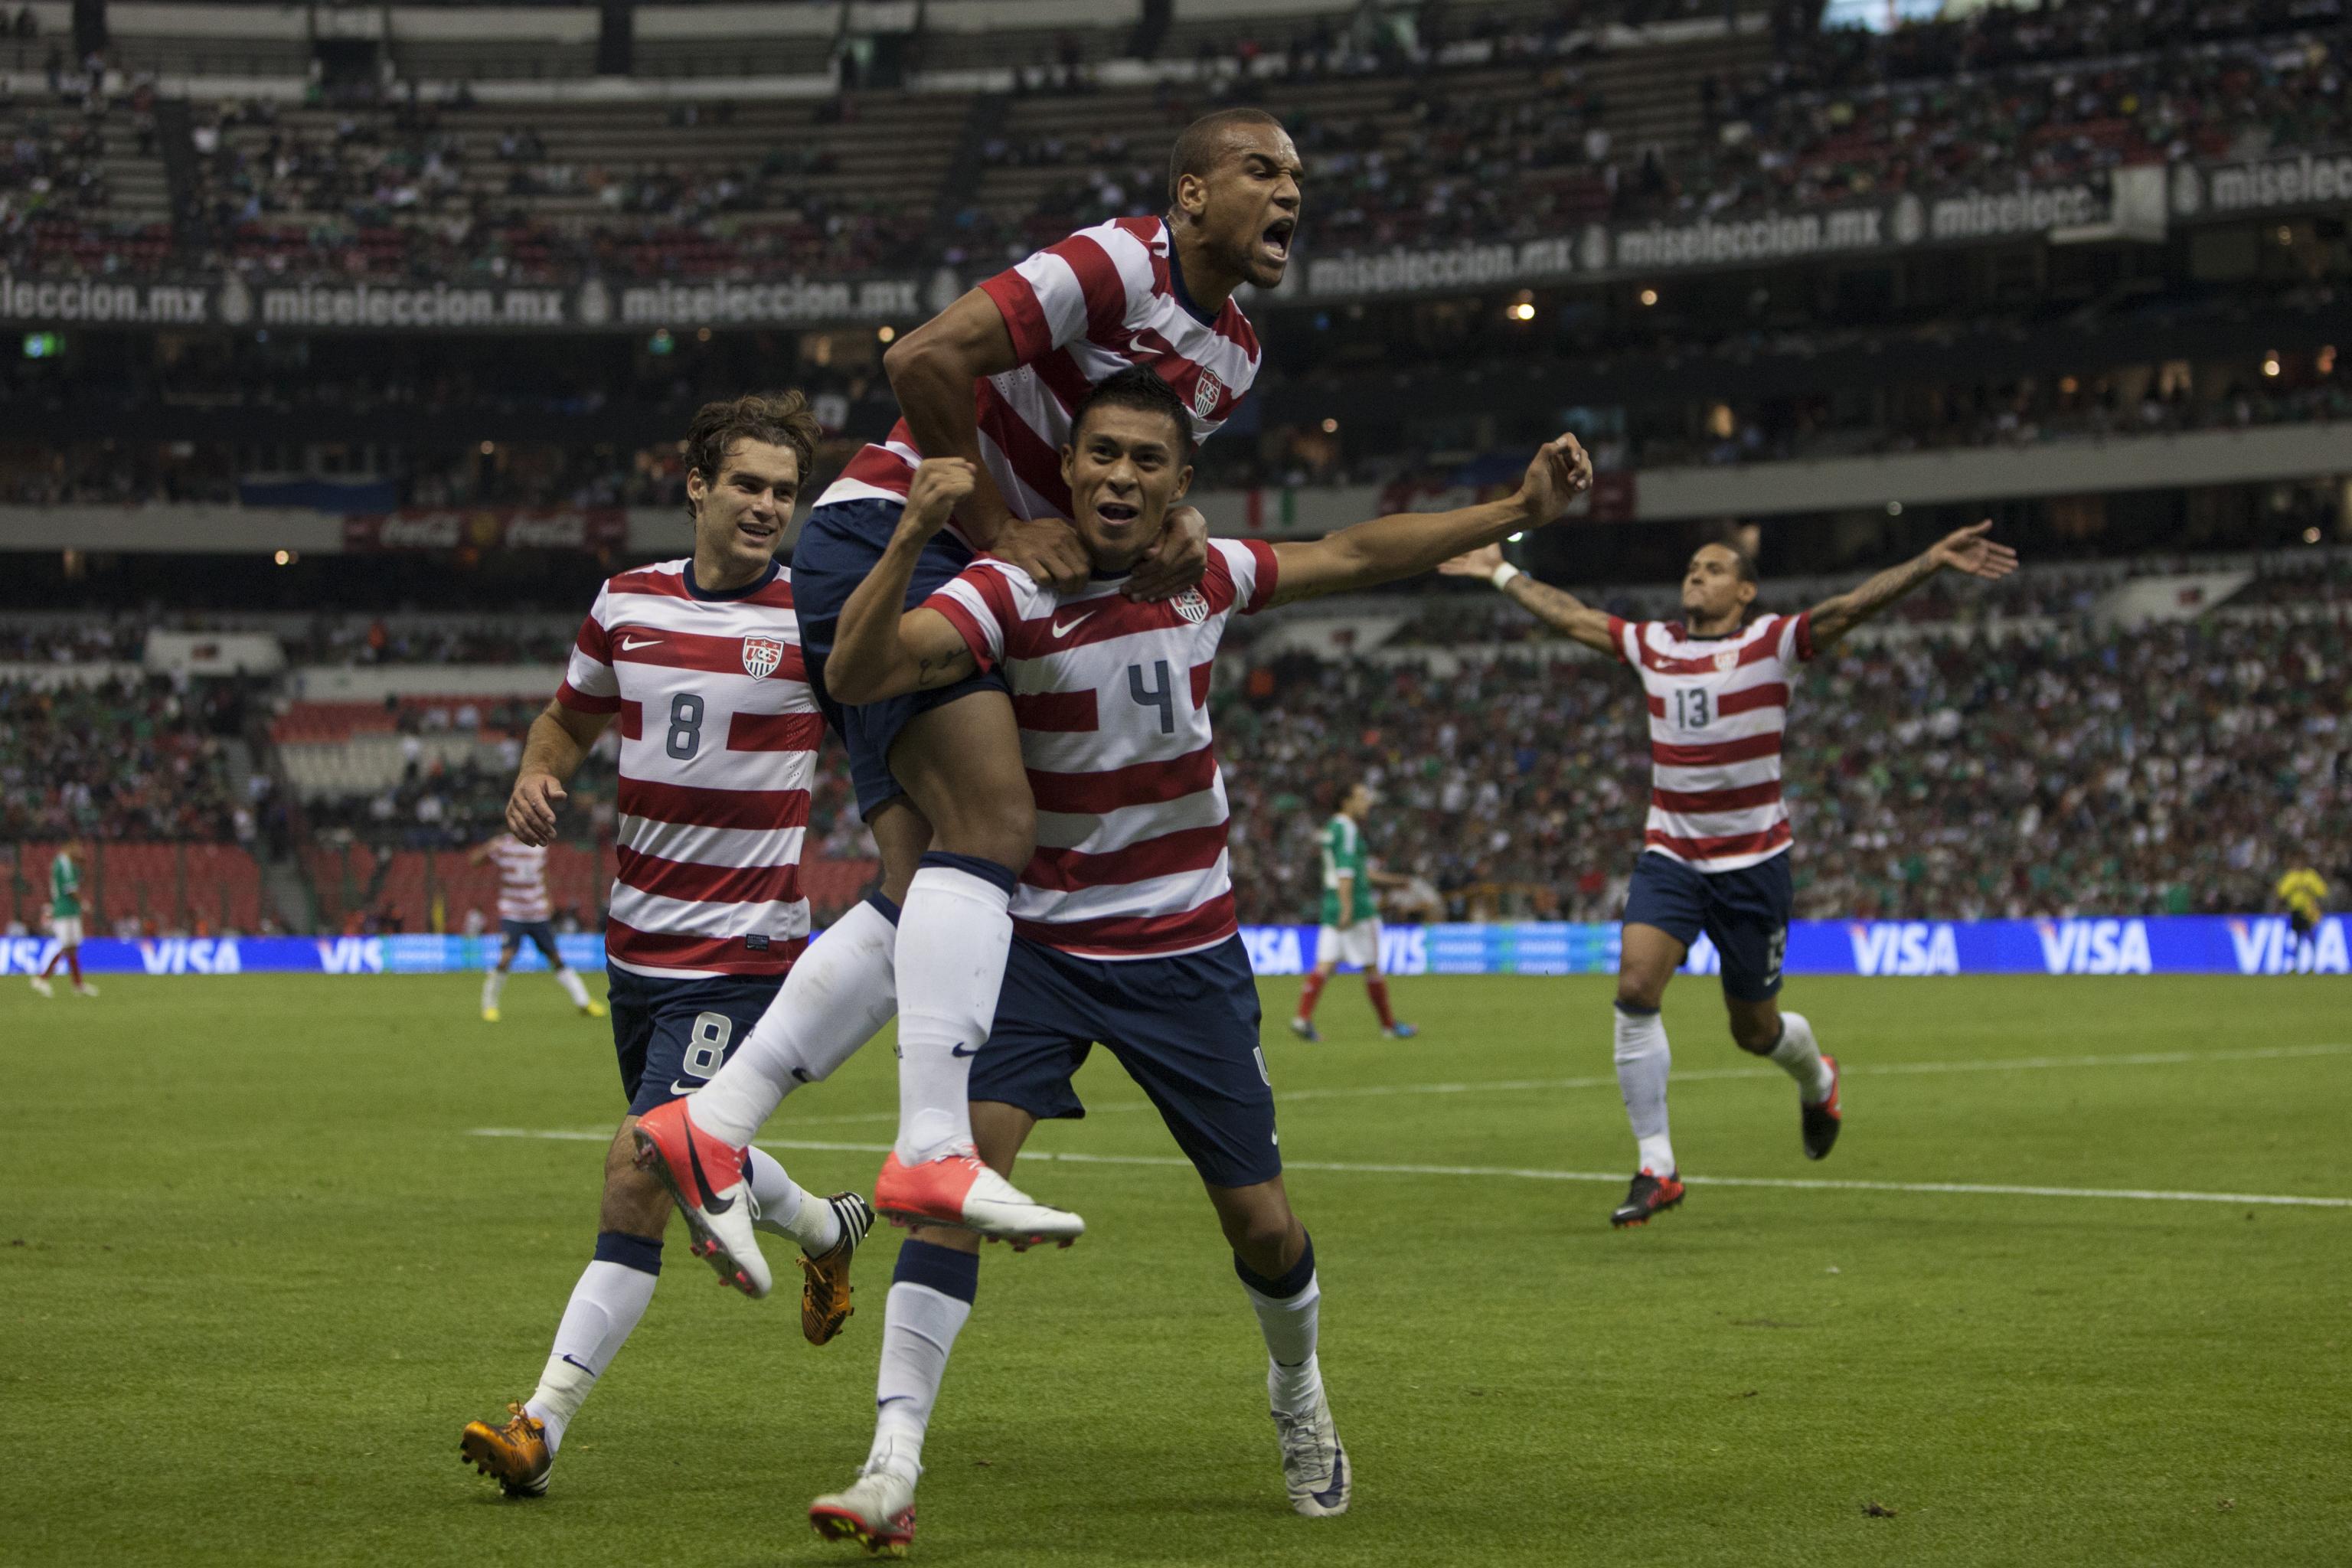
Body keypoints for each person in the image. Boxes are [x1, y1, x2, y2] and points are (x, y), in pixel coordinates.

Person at [780, 370, 1590, 1553]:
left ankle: (1299, 1397)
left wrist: (1514, 507)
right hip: (1040, 950)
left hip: (1183, 948)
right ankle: (891, 1462)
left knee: (1261, 1227)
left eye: (1145, 462)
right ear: (1067, 467)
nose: (1118, 476)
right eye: (1099, 454)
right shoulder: (1009, 587)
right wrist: (912, 532)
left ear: (1179, 485)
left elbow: (1361, 554)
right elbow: (855, 676)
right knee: (945, 1195)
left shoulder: (1205, 575)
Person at [765, 107, 1306, 1246]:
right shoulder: (1114, 262)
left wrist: (1180, 516)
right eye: (1262, 170)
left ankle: (780, 1159)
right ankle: (860, 1148)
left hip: (976, 558)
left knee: (937, 869)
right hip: (898, 528)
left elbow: (1138, 458)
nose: (1291, 192)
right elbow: (922, 357)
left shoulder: (1239, 355)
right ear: (1195, 195)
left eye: (1298, 176)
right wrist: (1002, 525)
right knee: (990, 832)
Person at [458, 394, 875, 1499]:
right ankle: (826, 1229)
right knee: (697, 1165)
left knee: (644, 1165)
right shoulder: (627, 602)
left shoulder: (814, 617)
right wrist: (538, 773)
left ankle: (539, 1424)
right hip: (636, 948)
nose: (766, 508)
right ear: (697, 486)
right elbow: (569, 718)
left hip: (744, 959)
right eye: (747, 484)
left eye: (784, 493)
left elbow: (891, 735)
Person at [1441, 523, 2018, 1227]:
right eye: (1692, 567)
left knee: (1753, 1029)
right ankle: (1658, 1166)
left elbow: (1848, 608)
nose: (1696, 576)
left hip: (1755, 867)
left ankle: (1818, 1078)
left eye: (1714, 569)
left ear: (1746, 592)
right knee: (1634, 986)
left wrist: (1929, 560)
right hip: (1672, 857)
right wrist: (1502, 573)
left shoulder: (1771, 644)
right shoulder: (1655, 646)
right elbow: (1576, 618)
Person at [1289, 782, 1416, 1041]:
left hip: (1331, 904)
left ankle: (1302, 1018)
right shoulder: (1347, 829)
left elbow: (1356, 872)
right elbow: (1346, 873)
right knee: (1372, 967)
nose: (1367, 802)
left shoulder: (1331, 828)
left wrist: (1393, 881)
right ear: (1346, 802)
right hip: (1355, 908)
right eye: (1362, 797)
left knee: (1325, 964)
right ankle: (1389, 1026)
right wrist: (1348, 908)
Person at [470, 830, 607, 1023]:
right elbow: (474, 861)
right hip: (513, 913)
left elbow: (542, 874)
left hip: (537, 913)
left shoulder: (539, 847)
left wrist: (547, 899)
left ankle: (584, 1002)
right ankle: (489, 1006)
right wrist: (488, 846)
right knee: (506, 958)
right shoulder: (503, 846)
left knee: (556, 958)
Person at [29, 838, 96, 998]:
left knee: (72, 948)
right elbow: (70, 889)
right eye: (78, 848)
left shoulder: (69, 864)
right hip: (64, 910)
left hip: (71, 910)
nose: (80, 851)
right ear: (69, 847)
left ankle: (77, 985)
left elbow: (81, 881)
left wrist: (82, 866)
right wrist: (85, 904)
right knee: (68, 946)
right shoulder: (63, 863)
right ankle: (42, 979)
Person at [2276, 864, 2328, 954]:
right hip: (2295, 910)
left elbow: (2322, 891)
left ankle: (2314, 960)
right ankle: (2296, 962)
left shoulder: (2311, 875)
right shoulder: (2291, 876)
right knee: (2297, 936)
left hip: (2308, 911)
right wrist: (2293, 889)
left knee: (2310, 934)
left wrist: (2310, 889)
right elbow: (2282, 892)